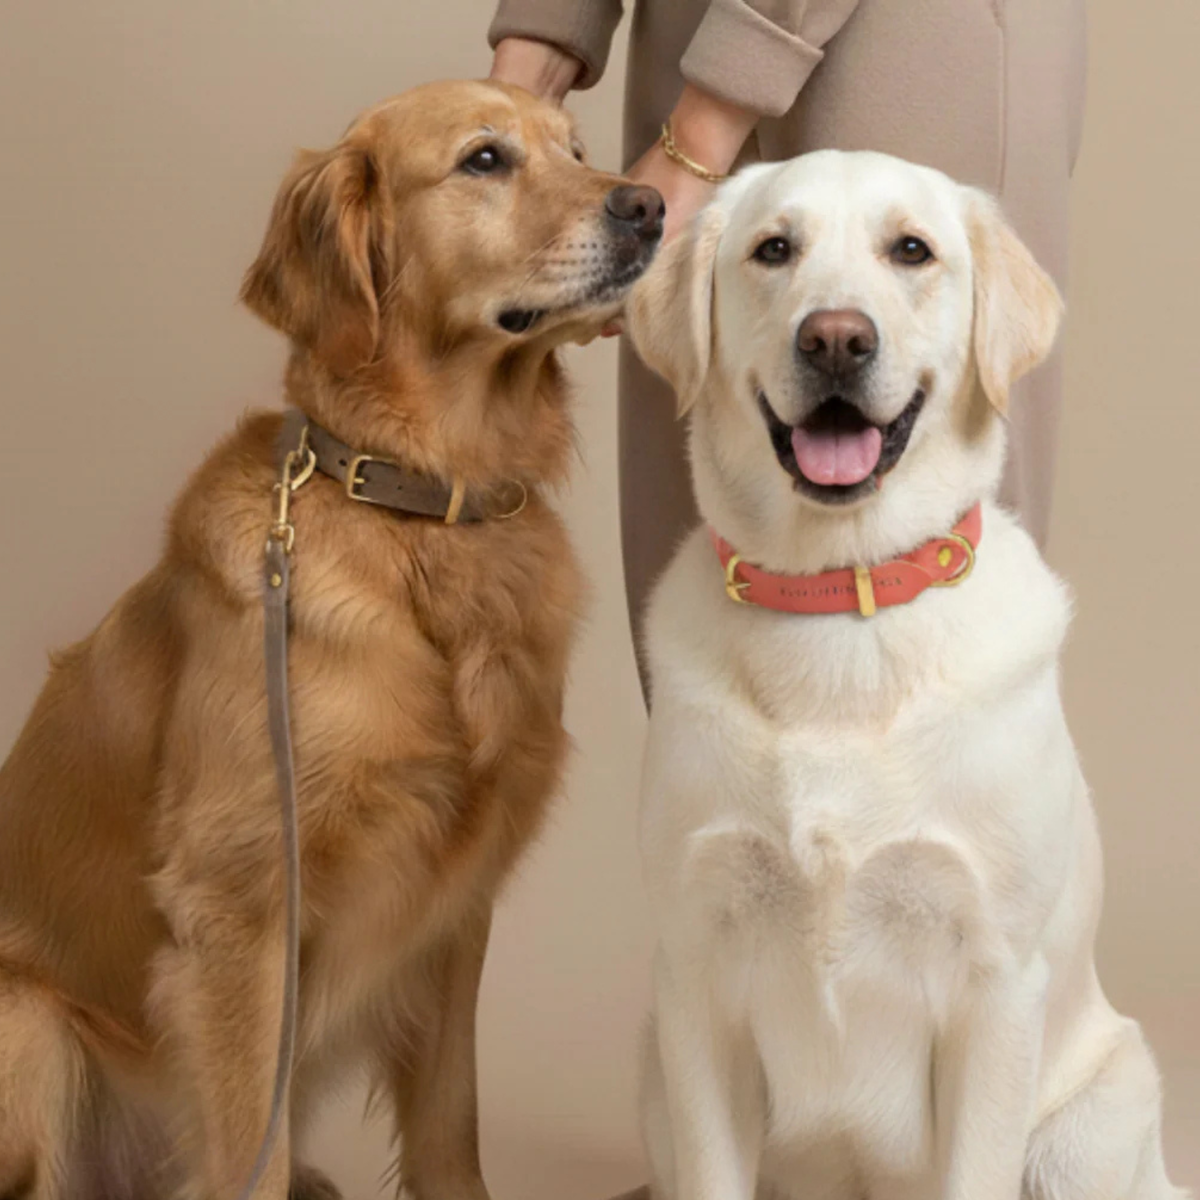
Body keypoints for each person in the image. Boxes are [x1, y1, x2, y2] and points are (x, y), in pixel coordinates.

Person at [489, 0, 1088, 689]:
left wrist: (701, 134)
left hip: (894, 31)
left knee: (930, 656)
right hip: (693, 31)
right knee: (706, 615)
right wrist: (529, 64)